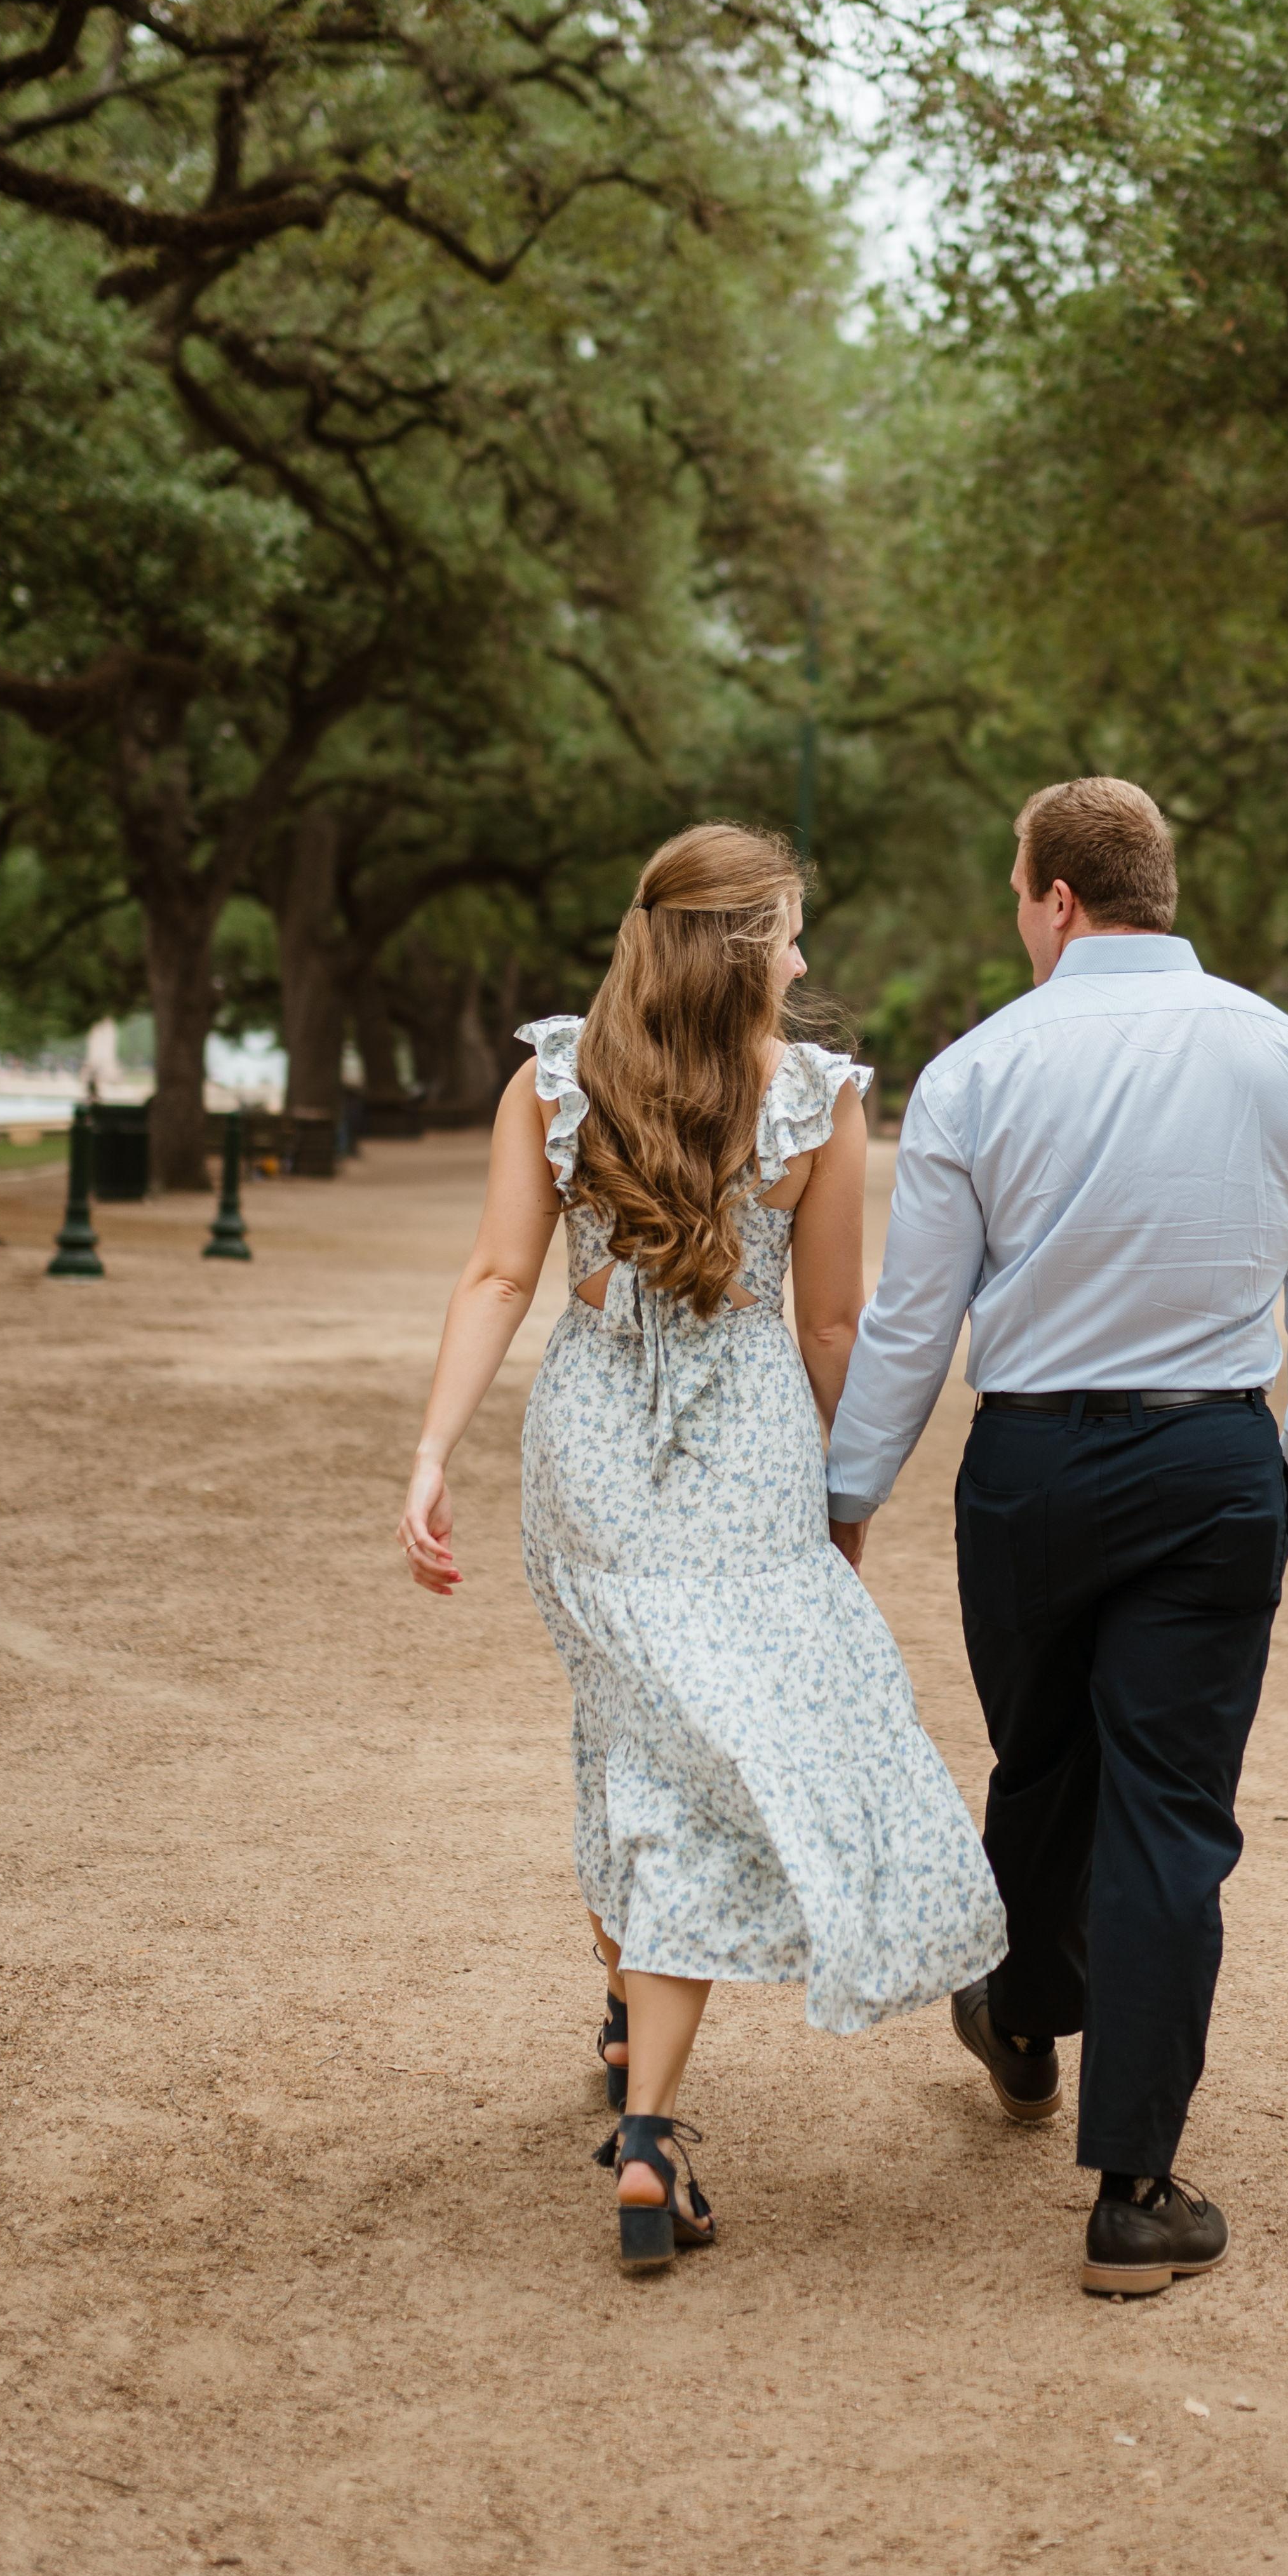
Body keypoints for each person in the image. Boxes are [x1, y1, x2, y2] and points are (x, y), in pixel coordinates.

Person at [396, 824, 1003, 2274]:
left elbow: (497, 1274)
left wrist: (430, 1456)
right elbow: (833, 1326)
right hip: (745, 1470)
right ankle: (652, 2134)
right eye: (789, 934)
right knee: (695, 1756)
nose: (804, 959)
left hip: (592, 1463)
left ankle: (629, 2036)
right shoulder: (817, 1104)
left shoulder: (554, 1080)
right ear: (741, 953)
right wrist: (849, 1500)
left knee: (636, 1735)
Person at [823, 778, 1288, 2298]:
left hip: (1030, 1466)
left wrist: (847, 1495)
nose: (1019, 918)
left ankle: (1017, 2014)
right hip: (1211, 1455)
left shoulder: (978, 1069)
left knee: (1044, 1759)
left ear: (1060, 898)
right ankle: (1134, 2188)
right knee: (1169, 1811)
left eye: (1018, 891)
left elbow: (915, 1320)